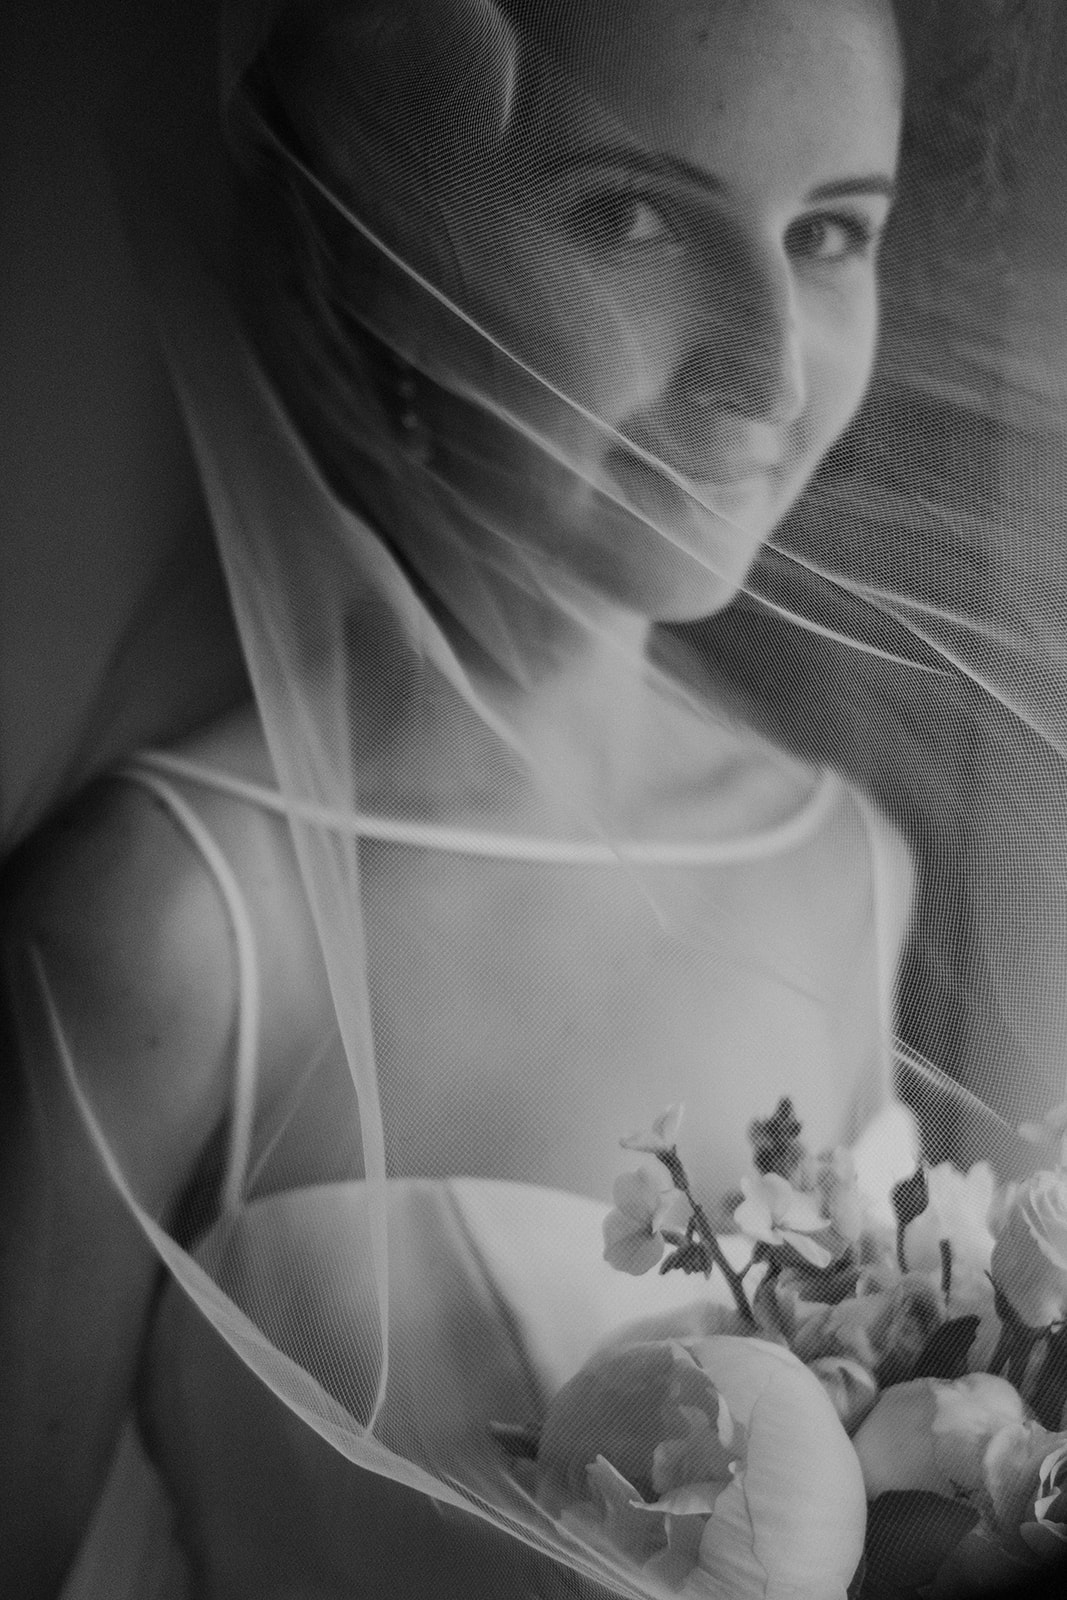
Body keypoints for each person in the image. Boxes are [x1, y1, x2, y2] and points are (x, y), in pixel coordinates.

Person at [1, 0, 1064, 1595]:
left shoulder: (839, 860)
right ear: (372, 241)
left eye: (833, 231)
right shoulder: (169, 925)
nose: (769, 369)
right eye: (632, 217)